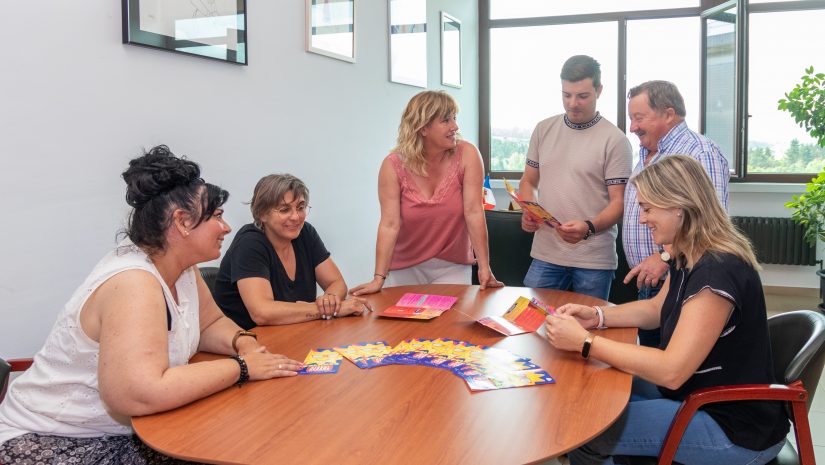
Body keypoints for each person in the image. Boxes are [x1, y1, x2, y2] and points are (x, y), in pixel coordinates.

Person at [0, 146, 303, 464]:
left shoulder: (181, 266)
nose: (226, 227)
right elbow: (137, 392)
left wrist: (244, 344)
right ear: (182, 222)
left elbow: (209, 324)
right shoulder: (133, 281)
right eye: (216, 216)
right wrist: (242, 368)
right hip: (53, 439)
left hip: (129, 430)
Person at [545, 155, 788, 465]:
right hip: (698, 396)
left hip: (731, 428)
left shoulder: (717, 273)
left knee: (586, 430)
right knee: (597, 393)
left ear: (679, 207)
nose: (642, 219)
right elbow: (657, 308)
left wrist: (585, 342)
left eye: (647, 209)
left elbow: (671, 372)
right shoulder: (690, 253)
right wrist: (598, 317)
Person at [351, 90, 503, 295]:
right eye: (446, 120)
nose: (455, 127)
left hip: (453, 265)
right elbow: (389, 224)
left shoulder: (467, 154)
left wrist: (485, 268)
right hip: (404, 266)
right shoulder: (393, 165)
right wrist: (378, 278)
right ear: (423, 128)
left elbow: (474, 212)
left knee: (450, 325)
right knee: (404, 327)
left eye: (454, 118)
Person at [624, 80, 730, 346]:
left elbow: (709, 222)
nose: (632, 127)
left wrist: (664, 256)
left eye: (639, 118)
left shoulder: (699, 152)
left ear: (669, 114)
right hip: (653, 281)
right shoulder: (649, 154)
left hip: (677, 274)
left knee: (662, 364)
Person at [518, 55, 632, 300]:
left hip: (594, 259)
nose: (572, 104)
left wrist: (589, 227)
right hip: (546, 253)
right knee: (529, 324)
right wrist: (530, 211)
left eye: (582, 96)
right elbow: (528, 182)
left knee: (588, 331)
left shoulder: (616, 140)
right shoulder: (543, 129)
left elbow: (619, 203)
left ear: (599, 91)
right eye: (566, 95)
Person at [213, 174, 371, 330]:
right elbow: (262, 313)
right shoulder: (249, 244)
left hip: (292, 333)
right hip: (245, 344)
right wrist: (331, 309)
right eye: (284, 209)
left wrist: (330, 300)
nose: (296, 217)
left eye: (301, 208)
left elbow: (336, 283)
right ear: (262, 214)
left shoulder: (305, 233)